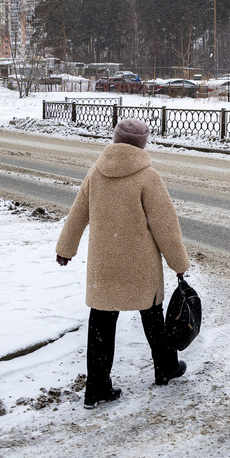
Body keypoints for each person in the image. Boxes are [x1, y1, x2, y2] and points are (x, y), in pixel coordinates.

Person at [55, 118, 190, 408]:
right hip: (140, 266)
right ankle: (166, 367)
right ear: (143, 144)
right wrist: (178, 263)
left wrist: (65, 248)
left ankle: (97, 388)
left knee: (101, 324)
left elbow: (78, 213)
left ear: (116, 140)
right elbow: (165, 226)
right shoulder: (148, 177)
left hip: (104, 265)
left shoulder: (96, 172)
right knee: (153, 317)